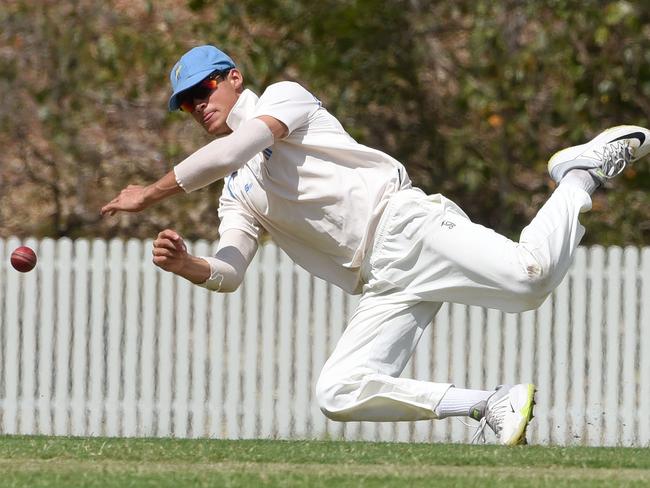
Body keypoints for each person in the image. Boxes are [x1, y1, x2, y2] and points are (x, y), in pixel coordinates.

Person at [100, 45, 650, 445]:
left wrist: (149, 193)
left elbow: (229, 152)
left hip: (404, 224)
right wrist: (188, 264)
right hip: (380, 280)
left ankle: (577, 176)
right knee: (338, 393)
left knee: (531, 280)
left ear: (233, 78)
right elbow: (230, 272)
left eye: (203, 90)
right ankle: (489, 403)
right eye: (185, 103)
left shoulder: (285, 100)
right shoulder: (236, 194)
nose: (197, 105)